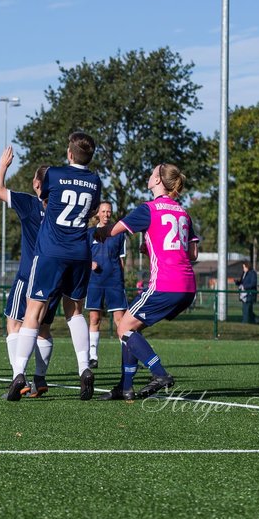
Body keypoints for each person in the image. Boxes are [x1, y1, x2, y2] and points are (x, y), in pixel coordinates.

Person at [4, 132, 101, 402]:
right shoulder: (95, 180)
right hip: (80, 252)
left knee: (33, 312)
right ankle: (84, 369)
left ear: (69, 153)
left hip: (50, 252)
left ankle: (19, 374)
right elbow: (92, 210)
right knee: (74, 312)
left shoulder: (55, 174)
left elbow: (45, 197)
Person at [96, 163, 199, 401]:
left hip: (165, 283)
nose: (149, 176)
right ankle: (126, 386)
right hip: (187, 286)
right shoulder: (183, 212)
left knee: (123, 326)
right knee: (132, 331)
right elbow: (192, 255)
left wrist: (90, 233)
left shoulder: (148, 209)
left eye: (153, 173)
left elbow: (113, 231)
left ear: (159, 181)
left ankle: (159, 373)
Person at [0, 148, 59, 399]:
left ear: (37, 183)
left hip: (28, 275)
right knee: (43, 328)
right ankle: (40, 378)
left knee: (14, 323)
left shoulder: (29, 203)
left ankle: (17, 378)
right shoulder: (60, 209)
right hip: (55, 276)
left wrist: (3, 165)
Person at [85, 200, 127, 364]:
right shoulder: (89, 233)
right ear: (97, 213)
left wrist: (121, 280)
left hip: (114, 282)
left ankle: (127, 355)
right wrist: (90, 263)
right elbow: (82, 255)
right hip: (94, 281)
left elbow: (122, 260)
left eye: (108, 211)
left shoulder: (119, 233)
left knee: (121, 320)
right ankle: (93, 356)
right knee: (95, 318)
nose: (106, 214)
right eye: (103, 211)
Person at [236, 260, 259, 324]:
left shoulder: (252, 273)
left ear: (247, 266)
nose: (243, 269)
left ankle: (245, 322)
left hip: (249, 294)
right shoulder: (244, 273)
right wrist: (238, 283)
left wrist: (245, 287)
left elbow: (253, 283)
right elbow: (242, 282)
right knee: (247, 310)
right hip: (244, 295)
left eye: (244, 267)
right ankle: (256, 320)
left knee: (246, 309)